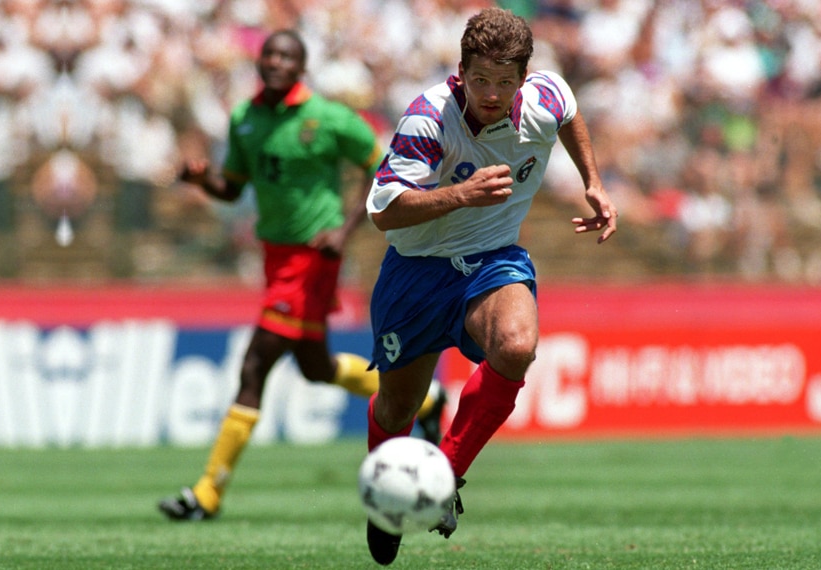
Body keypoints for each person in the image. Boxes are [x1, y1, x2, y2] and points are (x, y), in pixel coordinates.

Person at [361, 8, 617, 565]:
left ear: (524, 78)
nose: (493, 93)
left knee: (518, 344)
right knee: (395, 407)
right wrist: (460, 194)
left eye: (505, 81)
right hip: (416, 271)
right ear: (461, 71)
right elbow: (382, 211)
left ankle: (444, 474)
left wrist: (592, 182)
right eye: (481, 80)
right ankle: (384, 504)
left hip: (493, 260)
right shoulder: (429, 117)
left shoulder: (543, 99)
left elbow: (569, 111)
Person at [157, 29, 447, 521]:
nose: (275, 62)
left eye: (285, 56)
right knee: (316, 367)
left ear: (301, 67)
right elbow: (232, 188)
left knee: (254, 366)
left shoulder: (329, 119)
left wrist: (346, 229)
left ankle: (207, 493)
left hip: (313, 260)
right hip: (275, 259)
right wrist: (202, 179)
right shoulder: (245, 119)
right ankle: (426, 400)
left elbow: (383, 170)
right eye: (268, 54)